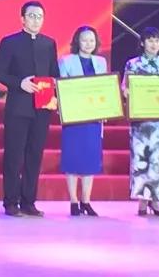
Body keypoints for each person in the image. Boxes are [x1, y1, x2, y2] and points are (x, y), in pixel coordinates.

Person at [0, 0, 60, 217]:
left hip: (43, 109)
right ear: (22, 19)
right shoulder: (10, 42)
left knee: (34, 156)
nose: (36, 20)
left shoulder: (49, 43)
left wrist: (55, 88)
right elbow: (0, 73)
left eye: (39, 16)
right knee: (14, 156)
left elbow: (54, 73)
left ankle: (28, 201)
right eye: (31, 16)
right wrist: (19, 83)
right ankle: (10, 202)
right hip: (18, 107)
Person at [59, 25, 108, 217]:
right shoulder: (67, 61)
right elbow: (61, 87)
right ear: (77, 41)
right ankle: (73, 201)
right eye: (84, 40)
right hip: (74, 118)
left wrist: (106, 109)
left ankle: (86, 201)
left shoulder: (101, 62)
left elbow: (104, 88)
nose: (88, 43)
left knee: (90, 160)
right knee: (72, 159)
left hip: (93, 119)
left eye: (91, 40)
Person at [122, 26, 159, 216]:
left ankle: (156, 200)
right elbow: (125, 88)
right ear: (142, 43)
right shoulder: (132, 64)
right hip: (140, 120)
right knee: (141, 159)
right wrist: (128, 94)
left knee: (158, 160)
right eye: (150, 40)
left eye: (157, 41)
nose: (154, 44)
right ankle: (142, 201)